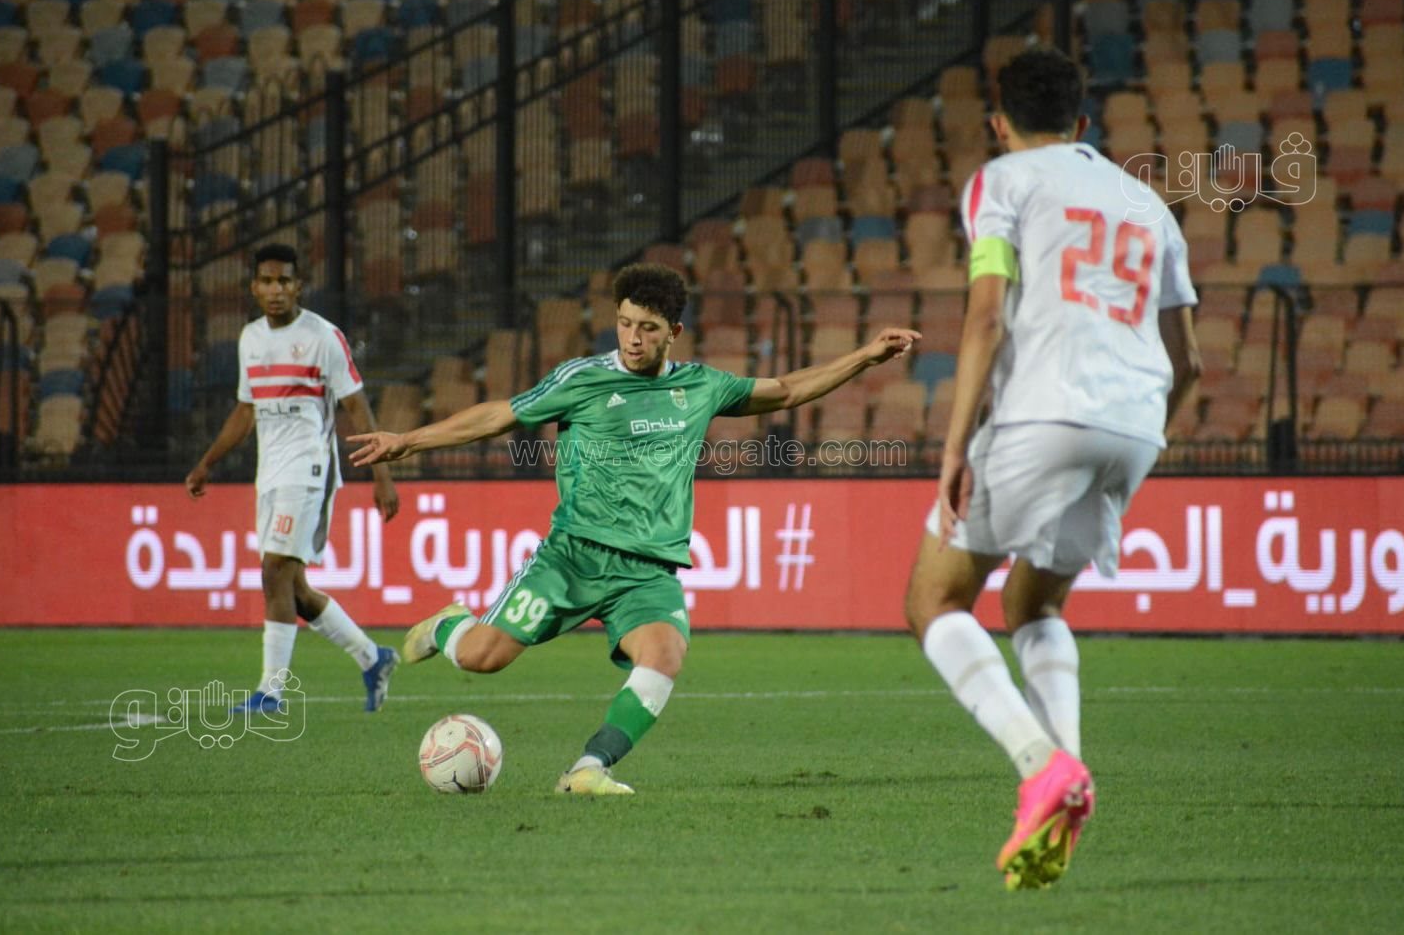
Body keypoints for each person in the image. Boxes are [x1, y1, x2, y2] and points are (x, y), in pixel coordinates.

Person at [350, 262, 920, 795]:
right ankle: (449, 626)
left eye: (647, 328)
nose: (632, 338)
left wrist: (865, 357)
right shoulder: (582, 379)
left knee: (665, 653)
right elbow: (500, 413)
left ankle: (588, 768)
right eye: (624, 323)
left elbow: (788, 390)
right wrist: (408, 441)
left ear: (674, 332)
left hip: (646, 572)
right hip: (572, 559)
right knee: (481, 657)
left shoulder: (701, 386)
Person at [903, 47, 1202, 890]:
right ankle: (1068, 775)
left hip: (1043, 412)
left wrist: (955, 446)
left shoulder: (1001, 181)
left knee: (933, 599)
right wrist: (1135, 436)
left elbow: (986, 317)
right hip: (1136, 424)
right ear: (1082, 123)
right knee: (1033, 603)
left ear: (999, 124)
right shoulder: (1147, 203)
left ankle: (1042, 765)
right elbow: (1191, 365)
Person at [186, 243, 402, 714]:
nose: (275, 290)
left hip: (309, 468)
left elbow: (357, 406)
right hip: (270, 472)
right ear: (254, 287)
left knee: (273, 572)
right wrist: (208, 462)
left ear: (298, 285)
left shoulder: (324, 337)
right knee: (294, 590)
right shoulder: (250, 338)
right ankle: (373, 657)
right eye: (266, 281)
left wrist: (381, 475)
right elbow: (246, 411)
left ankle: (271, 691)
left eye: (284, 280)